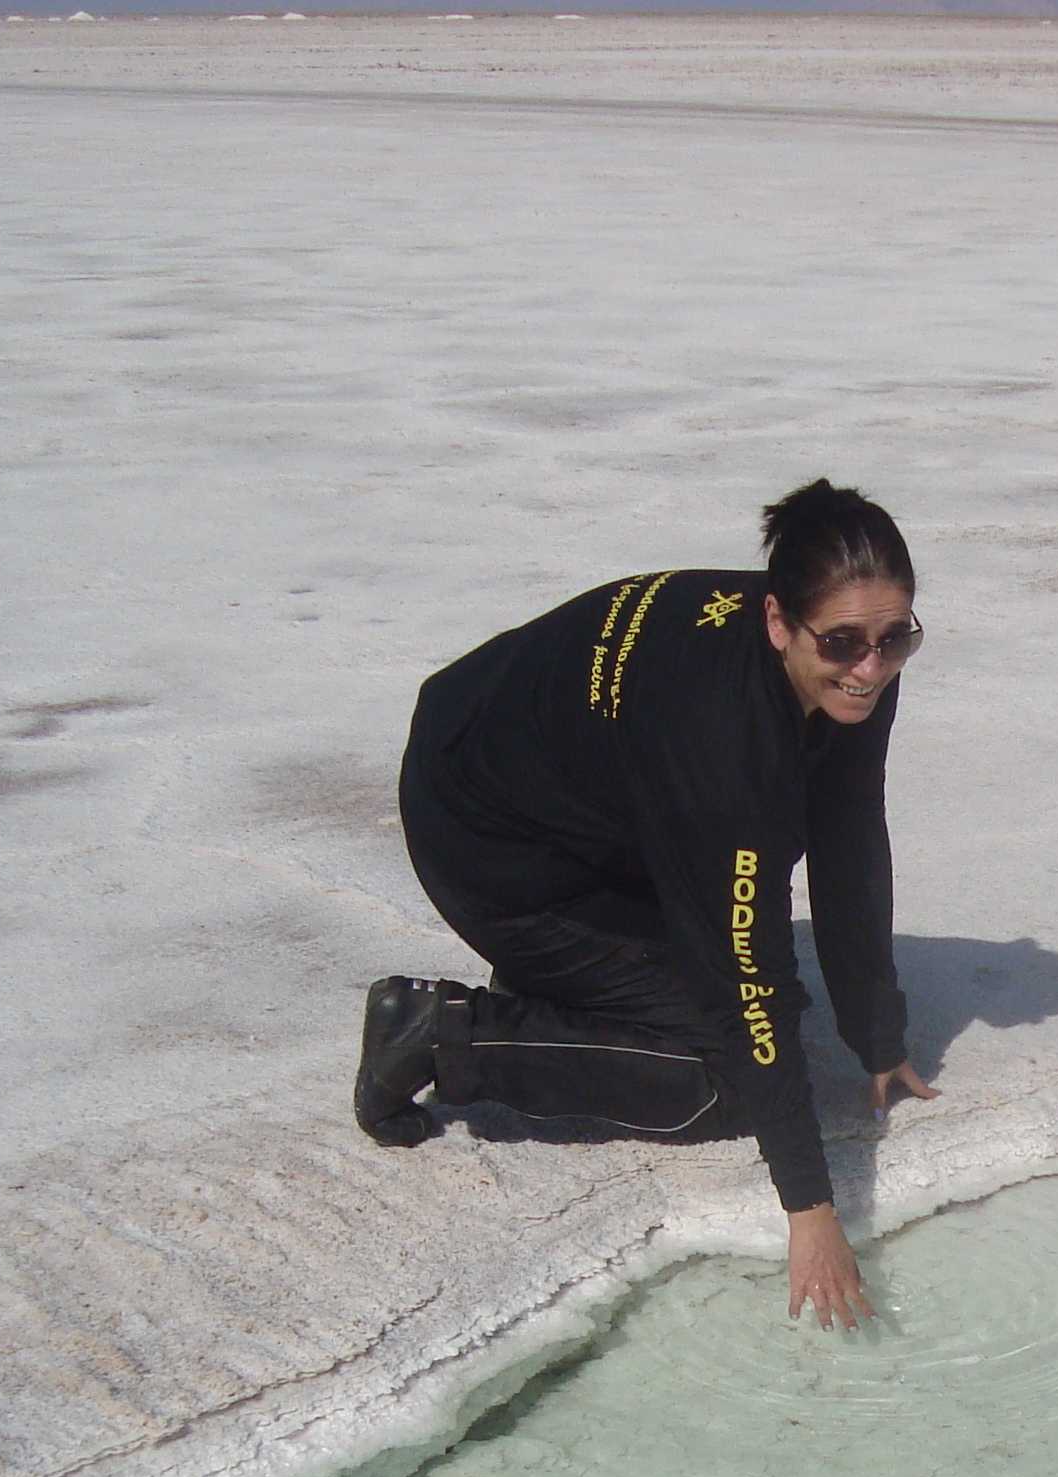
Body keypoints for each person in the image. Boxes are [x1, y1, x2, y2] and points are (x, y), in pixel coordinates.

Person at [356, 479, 937, 1329]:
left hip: (566, 794)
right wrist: (812, 1213)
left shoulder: (847, 654)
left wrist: (876, 1033)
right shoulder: (719, 737)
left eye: (897, 639)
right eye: (846, 643)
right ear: (778, 620)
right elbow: (751, 981)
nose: (871, 667)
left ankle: (571, 987)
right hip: (486, 839)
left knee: (769, 1019)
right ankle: (445, 1039)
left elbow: (849, 826)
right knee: (732, 1078)